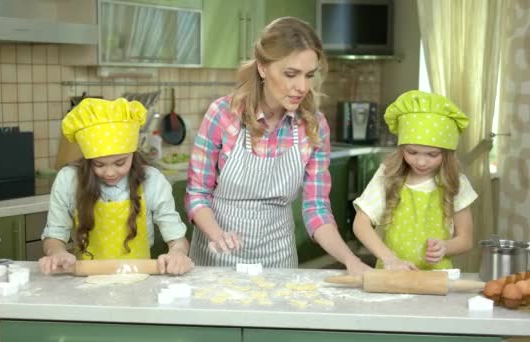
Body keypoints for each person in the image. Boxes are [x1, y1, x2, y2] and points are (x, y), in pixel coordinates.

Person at [185, 17, 370, 274]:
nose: (302, 87)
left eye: (309, 75)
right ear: (262, 67)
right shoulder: (223, 115)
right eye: (291, 74)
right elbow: (197, 194)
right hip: (217, 259)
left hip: (278, 262)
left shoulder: (313, 126)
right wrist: (217, 235)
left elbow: (316, 208)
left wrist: (351, 260)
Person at [38, 98, 194, 275]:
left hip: (139, 282)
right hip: (85, 284)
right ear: (89, 160)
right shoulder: (68, 180)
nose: (110, 173)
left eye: (120, 163)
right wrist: (57, 253)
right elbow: (55, 234)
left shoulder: (152, 181)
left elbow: (177, 238)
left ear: (133, 155)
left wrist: (177, 253)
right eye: (99, 164)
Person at [352, 90, 477, 270]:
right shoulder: (387, 175)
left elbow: (466, 240)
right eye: (412, 152)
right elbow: (360, 224)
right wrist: (389, 259)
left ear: (447, 153)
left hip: (436, 278)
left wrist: (445, 247)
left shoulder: (456, 182)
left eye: (432, 154)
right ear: (401, 148)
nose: (421, 162)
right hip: (391, 275)